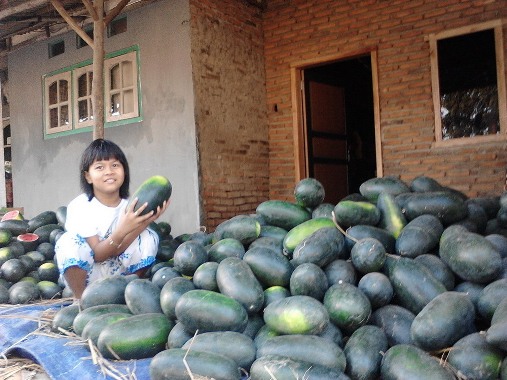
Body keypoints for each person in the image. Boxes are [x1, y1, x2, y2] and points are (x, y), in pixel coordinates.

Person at [55, 139, 169, 299]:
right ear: (88, 176)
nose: (109, 171)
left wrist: (145, 221)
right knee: (68, 241)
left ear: (124, 171)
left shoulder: (131, 206)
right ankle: (82, 301)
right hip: (89, 275)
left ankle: (127, 295)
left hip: (120, 276)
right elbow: (98, 255)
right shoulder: (80, 206)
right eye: (100, 167)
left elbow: (121, 247)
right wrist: (123, 228)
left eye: (115, 165)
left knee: (149, 237)